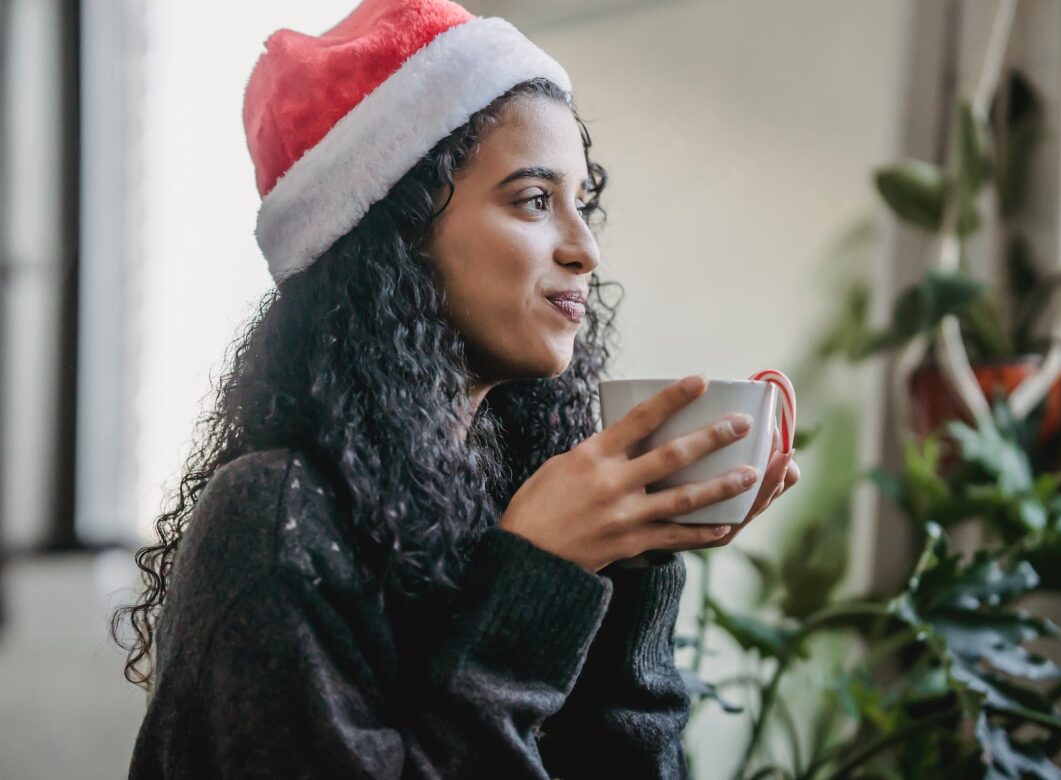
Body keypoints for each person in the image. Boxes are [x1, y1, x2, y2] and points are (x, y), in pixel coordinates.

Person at [112, 1, 801, 777]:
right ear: (395, 232)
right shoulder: (276, 516)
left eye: (585, 202)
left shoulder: (511, 488)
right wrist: (534, 580)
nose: (586, 249)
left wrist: (632, 567)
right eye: (535, 201)